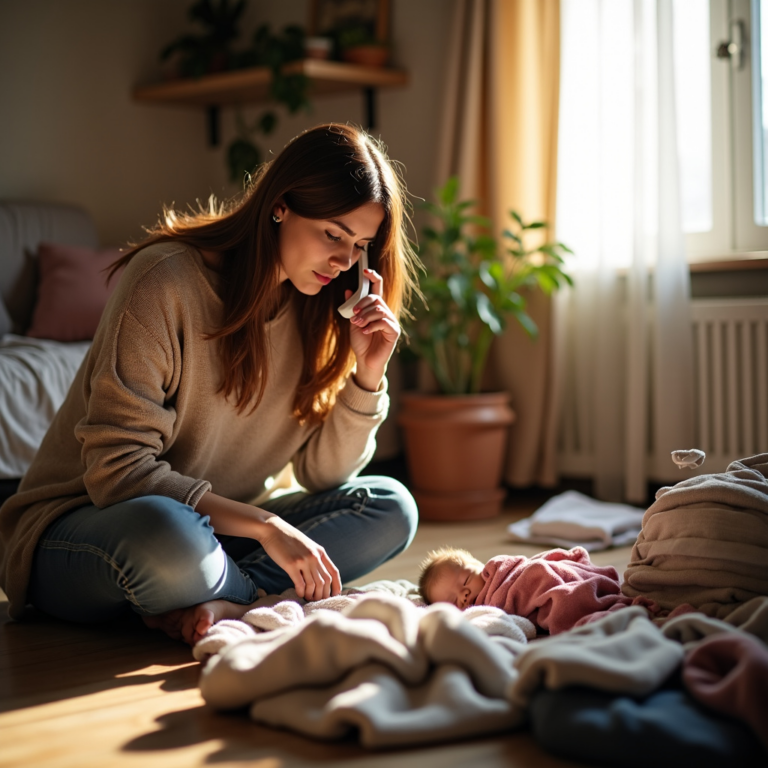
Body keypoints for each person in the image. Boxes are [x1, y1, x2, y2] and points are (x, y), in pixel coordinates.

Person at [0, 123, 420, 645]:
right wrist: (268, 529)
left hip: (217, 534)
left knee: (389, 506)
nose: (344, 261)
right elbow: (117, 473)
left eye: (359, 244)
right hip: (90, 526)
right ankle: (255, 597)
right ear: (280, 205)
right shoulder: (166, 280)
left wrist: (368, 372)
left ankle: (214, 600)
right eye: (333, 234)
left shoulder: (323, 313)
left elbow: (324, 473)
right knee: (168, 540)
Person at [419, 544, 653, 634]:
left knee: (563, 593)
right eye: (453, 600)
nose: (464, 594)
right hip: (546, 598)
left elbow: (535, 570)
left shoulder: (503, 571)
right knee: (568, 602)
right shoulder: (481, 613)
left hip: (548, 581)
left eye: (466, 581)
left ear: (481, 567)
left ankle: (595, 600)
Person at [418, 547, 487, 608]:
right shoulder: (475, 617)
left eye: (466, 581)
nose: (463, 596)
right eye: (454, 601)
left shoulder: (495, 570)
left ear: (479, 564)